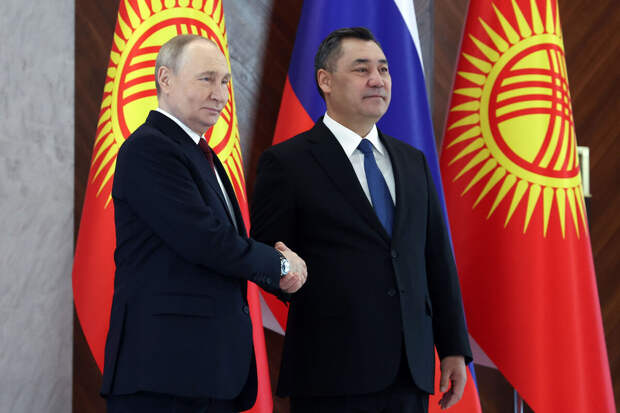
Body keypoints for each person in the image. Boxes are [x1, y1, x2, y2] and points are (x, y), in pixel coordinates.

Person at [250, 27, 472, 413]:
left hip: (409, 372)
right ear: (325, 80)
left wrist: (453, 347)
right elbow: (267, 255)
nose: (377, 79)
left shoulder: (413, 162)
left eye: (383, 69)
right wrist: (285, 274)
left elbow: (436, 260)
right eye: (361, 69)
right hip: (331, 372)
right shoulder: (287, 163)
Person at [100, 34, 307, 413]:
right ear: (165, 79)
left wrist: (284, 276)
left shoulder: (201, 154)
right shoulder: (150, 149)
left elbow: (225, 243)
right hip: (163, 375)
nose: (220, 94)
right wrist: (280, 266)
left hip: (207, 373)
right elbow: (206, 241)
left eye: (225, 81)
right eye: (206, 79)